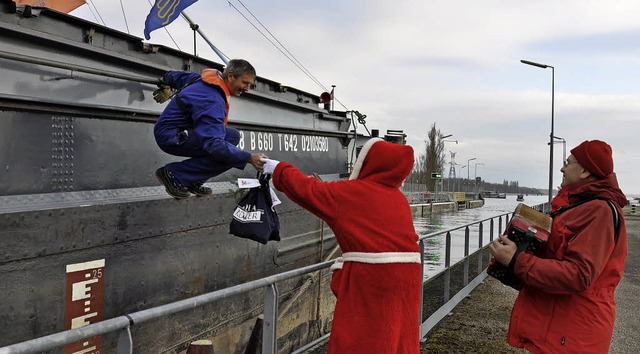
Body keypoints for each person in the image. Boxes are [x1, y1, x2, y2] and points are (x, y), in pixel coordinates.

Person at [260, 138, 422, 354]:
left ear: (368, 162)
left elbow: (309, 191)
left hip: (374, 278)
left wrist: (279, 169)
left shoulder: (351, 193)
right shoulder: (399, 200)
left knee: (360, 338)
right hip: (408, 278)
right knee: (394, 337)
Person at [489, 139, 628, 353]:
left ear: (584, 171)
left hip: (573, 334)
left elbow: (579, 275)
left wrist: (517, 260)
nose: (562, 168)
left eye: (568, 162)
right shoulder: (579, 207)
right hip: (560, 328)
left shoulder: (599, 211)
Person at [153, 59, 265, 199]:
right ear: (231, 76)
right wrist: (248, 158)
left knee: (232, 136)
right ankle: (174, 175)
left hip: (172, 129)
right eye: (245, 82)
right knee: (226, 152)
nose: (247, 88)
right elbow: (213, 143)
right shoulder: (212, 100)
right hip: (171, 137)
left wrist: (165, 81)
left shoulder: (204, 79)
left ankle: (192, 180)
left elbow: (176, 77)